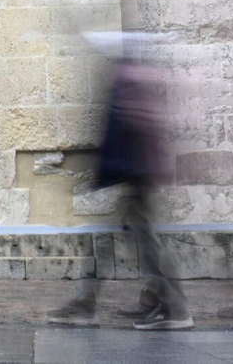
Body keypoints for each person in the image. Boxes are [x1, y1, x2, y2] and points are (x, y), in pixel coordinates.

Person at [48, 44, 194, 331]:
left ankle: (173, 307)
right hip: (136, 175)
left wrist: (106, 174)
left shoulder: (128, 79)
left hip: (134, 175)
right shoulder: (133, 77)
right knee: (119, 239)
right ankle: (147, 300)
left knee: (137, 241)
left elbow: (126, 132)